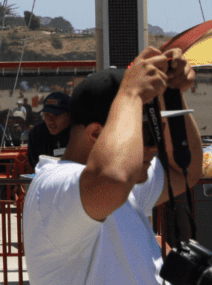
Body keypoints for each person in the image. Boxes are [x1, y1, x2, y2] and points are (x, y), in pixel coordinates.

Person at [23, 48, 202, 285]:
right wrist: (130, 95)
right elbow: (112, 178)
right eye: (147, 136)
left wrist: (172, 93)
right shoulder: (53, 188)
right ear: (97, 134)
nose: (155, 148)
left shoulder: (120, 188)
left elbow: (185, 169)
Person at [26, 91, 71, 170]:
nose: (50, 120)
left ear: (69, 115)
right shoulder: (37, 133)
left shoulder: (80, 132)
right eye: (47, 115)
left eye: (56, 115)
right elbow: (36, 165)